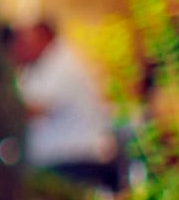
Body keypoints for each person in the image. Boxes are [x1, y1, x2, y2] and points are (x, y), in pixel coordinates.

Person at [9, 20, 119, 190]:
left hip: (75, 163)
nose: (18, 47)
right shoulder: (40, 66)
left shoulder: (62, 65)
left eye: (24, 41)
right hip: (61, 163)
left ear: (44, 38)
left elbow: (34, 109)